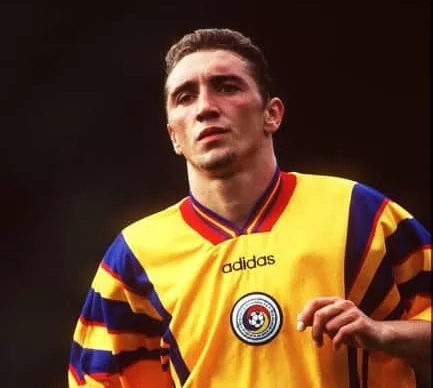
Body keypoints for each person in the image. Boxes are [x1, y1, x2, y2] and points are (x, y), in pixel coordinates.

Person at [68, 28, 431, 387]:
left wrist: (381, 333)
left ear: (271, 114)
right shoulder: (135, 257)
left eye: (227, 87)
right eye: (185, 97)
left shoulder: (359, 213)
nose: (205, 108)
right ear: (174, 136)